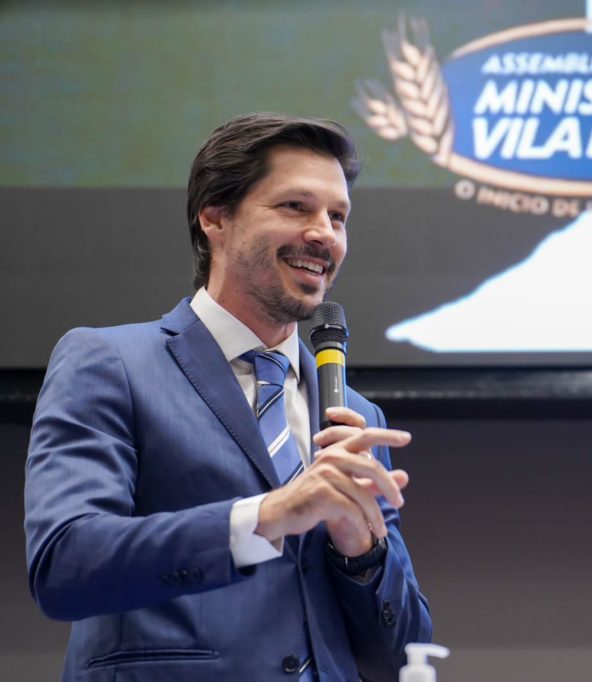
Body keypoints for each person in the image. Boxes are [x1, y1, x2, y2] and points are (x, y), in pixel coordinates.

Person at [24, 112, 431, 681]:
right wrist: (268, 516)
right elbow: (66, 565)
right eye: (296, 206)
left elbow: (401, 655)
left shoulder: (355, 416)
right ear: (215, 216)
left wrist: (360, 551)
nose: (325, 234)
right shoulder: (110, 362)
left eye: (338, 216)